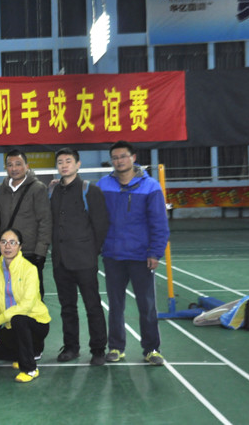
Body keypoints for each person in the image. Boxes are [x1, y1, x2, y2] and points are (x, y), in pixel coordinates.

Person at [97, 141, 169, 366]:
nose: (119, 161)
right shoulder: (103, 185)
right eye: (115, 158)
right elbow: (92, 215)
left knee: (147, 306)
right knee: (115, 305)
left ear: (133, 158)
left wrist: (155, 252)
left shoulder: (151, 186)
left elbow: (159, 223)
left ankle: (152, 349)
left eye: (123, 156)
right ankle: (116, 348)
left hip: (141, 257)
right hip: (113, 256)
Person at [49, 148, 109, 366]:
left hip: (84, 261)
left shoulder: (90, 190)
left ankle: (98, 349)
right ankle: (71, 347)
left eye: (68, 161)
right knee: (67, 307)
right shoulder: (52, 191)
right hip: (60, 261)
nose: (64, 165)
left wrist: (91, 252)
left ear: (78, 164)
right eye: (60, 162)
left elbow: (100, 225)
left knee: (92, 306)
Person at [0, 229, 51, 383]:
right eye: (3, 242)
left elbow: (26, 305)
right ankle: (25, 353)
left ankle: (30, 369)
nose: (7, 246)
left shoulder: (30, 269)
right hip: (11, 326)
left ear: (20, 246)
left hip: (36, 323)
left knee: (18, 319)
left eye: (13, 242)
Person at [0, 149, 52, 299]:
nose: (14, 168)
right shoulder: (1, 191)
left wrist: (40, 252)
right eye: (10, 165)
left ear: (27, 166)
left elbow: (45, 221)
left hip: (30, 253)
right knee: (9, 296)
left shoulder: (38, 188)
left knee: (32, 298)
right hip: (7, 254)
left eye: (18, 164)